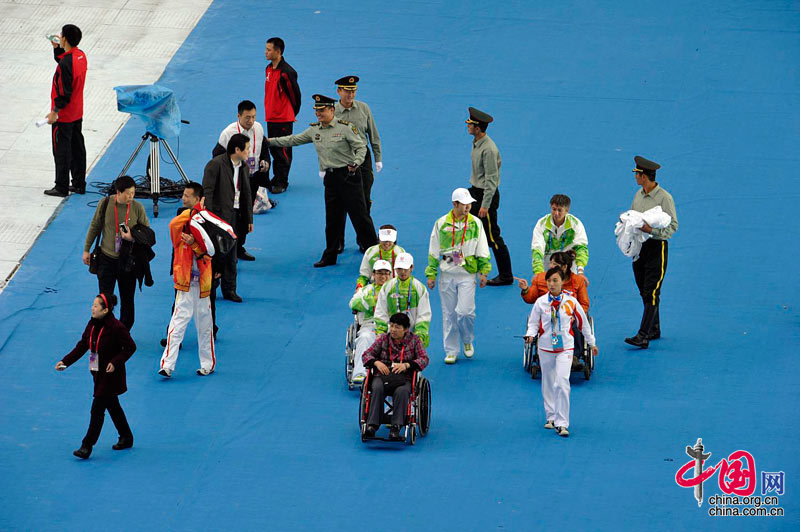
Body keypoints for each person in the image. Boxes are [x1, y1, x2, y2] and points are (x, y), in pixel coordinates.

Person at [268, 94, 378, 267]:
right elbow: (293, 140)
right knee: (332, 219)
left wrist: (356, 163)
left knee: (360, 217)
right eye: (316, 111)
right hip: (331, 179)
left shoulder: (346, 128)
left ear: (332, 110)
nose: (318, 114)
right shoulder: (315, 130)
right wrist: (268, 142)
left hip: (349, 177)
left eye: (322, 110)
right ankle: (330, 255)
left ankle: (376, 255)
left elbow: (361, 148)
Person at [55, 294, 135, 459]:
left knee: (97, 408)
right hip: (96, 370)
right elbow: (83, 345)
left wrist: (116, 361)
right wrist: (65, 361)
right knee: (112, 405)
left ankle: (87, 446)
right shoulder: (92, 324)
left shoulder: (117, 327)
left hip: (110, 373)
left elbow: (130, 347)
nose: (92, 308)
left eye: (96, 306)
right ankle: (126, 436)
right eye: (93, 305)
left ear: (105, 310)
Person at [524, 268, 598, 437]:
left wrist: (592, 343)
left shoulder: (571, 302)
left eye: (555, 280)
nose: (551, 284)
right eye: (549, 281)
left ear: (563, 281)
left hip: (565, 348)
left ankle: (562, 423)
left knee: (562, 382)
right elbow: (533, 324)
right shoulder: (541, 302)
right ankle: (550, 417)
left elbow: (583, 324)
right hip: (545, 348)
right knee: (548, 383)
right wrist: (529, 335)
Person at [425, 188, 491, 364]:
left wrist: (484, 271)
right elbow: (433, 250)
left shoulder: (476, 223)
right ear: (455, 204)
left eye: (470, 203)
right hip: (447, 275)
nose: (468, 206)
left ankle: (467, 340)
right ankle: (451, 350)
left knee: (465, 312)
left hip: (467, 274)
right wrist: (431, 274)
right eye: (465, 203)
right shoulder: (441, 224)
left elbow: (482, 248)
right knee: (449, 315)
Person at [158, 183, 216, 378]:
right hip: (184, 281)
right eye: (183, 195)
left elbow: (209, 252)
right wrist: (191, 214)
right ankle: (167, 365)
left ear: (198, 199)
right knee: (177, 323)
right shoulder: (181, 221)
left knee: (205, 325)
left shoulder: (208, 222)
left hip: (203, 283)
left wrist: (195, 244)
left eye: (188, 196)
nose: (183, 198)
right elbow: (172, 226)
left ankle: (207, 364)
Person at [624, 156, 678, 349]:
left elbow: (673, 226)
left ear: (644, 176)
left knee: (652, 291)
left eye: (637, 174)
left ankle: (643, 335)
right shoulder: (638, 195)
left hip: (656, 247)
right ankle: (654, 327)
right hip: (640, 247)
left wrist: (652, 231)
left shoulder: (664, 198)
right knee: (643, 290)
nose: (635, 177)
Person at [82, 175, 149, 330]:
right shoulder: (105, 204)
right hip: (106, 259)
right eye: (128, 193)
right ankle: (105, 330)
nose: (131, 197)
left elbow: (147, 233)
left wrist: (132, 236)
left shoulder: (137, 207)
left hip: (128, 261)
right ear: (118, 192)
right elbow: (95, 226)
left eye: (133, 193)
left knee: (127, 299)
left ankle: (124, 331)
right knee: (105, 299)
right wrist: (86, 249)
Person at [212, 99, 274, 260]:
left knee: (246, 215)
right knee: (233, 215)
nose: (251, 121)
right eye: (247, 117)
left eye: (253, 117)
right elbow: (216, 155)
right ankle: (227, 249)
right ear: (238, 116)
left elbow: (264, 148)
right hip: (234, 183)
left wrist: (265, 161)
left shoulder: (259, 128)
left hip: (251, 180)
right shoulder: (228, 133)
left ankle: (239, 247)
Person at [362, 312, 429, 440]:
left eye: (397, 327)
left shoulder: (415, 340)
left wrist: (407, 365)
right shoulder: (383, 339)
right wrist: (376, 362)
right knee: (376, 387)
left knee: (402, 391)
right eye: (391, 326)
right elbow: (366, 355)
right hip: (382, 375)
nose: (393, 330)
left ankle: (396, 427)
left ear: (406, 329)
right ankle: (372, 425)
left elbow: (424, 359)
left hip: (404, 378)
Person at [202, 133, 253, 302]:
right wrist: (208, 218)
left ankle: (230, 289)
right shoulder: (215, 165)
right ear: (237, 149)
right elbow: (207, 192)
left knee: (232, 254)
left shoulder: (244, 167)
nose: (249, 151)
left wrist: (249, 219)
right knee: (217, 253)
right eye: (246, 149)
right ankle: (211, 288)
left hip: (236, 215)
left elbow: (247, 194)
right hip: (219, 216)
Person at [465, 107, 513, 286]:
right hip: (475, 192)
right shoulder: (477, 142)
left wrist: (485, 205)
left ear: (478, 128)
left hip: (486, 196)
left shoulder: (489, 150)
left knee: (493, 237)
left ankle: (506, 275)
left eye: (470, 124)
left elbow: (491, 181)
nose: (467, 126)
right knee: (473, 229)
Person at [44, 24, 87, 197]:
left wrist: (55, 111)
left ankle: (61, 186)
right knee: (77, 148)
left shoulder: (66, 64)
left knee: (61, 150)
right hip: (77, 112)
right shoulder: (80, 56)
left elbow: (64, 92)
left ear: (65, 39)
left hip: (64, 115)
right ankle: (78, 183)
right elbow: (65, 63)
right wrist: (56, 49)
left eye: (61, 35)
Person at [334, 76, 382, 213]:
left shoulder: (364, 108)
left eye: (353, 91)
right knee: (340, 198)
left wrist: (378, 158)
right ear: (339, 91)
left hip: (363, 158)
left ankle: (365, 232)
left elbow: (373, 134)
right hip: (341, 159)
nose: (350, 95)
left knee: (365, 194)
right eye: (347, 91)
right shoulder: (332, 112)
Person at [263, 37, 301, 194]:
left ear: (278, 52)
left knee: (283, 151)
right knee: (273, 149)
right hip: (271, 117)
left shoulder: (287, 72)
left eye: (269, 49)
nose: (265, 52)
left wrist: (292, 113)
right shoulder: (268, 68)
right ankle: (277, 177)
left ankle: (282, 181)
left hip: (283, 119)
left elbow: (295, 96)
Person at [374, 252, 432, 348]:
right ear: (395, 269)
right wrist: (381, 332)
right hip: (391, 332)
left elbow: (424, 314)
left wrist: (419, 336)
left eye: (405, 268)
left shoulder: (419, 288)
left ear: (411, 267)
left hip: (412, 333)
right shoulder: (387, 287)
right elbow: (381, 311)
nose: (402, 272)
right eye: (399, 269)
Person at [348, 260, 392, 384]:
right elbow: (353, 304)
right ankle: (359, 373)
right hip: (370, 325)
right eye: (379, 273)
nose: (383, 276)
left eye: (386, 273)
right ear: (373, 274)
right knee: (365, 337)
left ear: (390, 274)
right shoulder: (366, 290)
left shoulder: (395, 291)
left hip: (391, 325)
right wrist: (373, 300)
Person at [531, 194, 589, 275]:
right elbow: (537, 249)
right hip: (548, 263)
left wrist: (580, 271)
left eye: (560, 210)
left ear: (567, 210)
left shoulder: (575, 224)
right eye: (554, 209)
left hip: (567, 263)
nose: (556, 213)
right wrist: (538, 273)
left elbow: (581, 248)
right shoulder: (541, 224)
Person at [518, 251, 589, 312]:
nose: (551, 266)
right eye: (551, 263)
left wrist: (575, 316)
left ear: (564, 267)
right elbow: (531, 299)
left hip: (571, 318)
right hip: (545, 315)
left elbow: (584, 304)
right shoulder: (540, 278)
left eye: (555, 264)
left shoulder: (578, 281)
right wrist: (526, 289)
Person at [355, 225, 405, 289]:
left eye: (390, 240)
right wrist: (359, 287)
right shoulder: (370, 252)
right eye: (384, 240)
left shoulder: (400, 252)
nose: (387, 243)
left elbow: (404, 275)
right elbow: (364, 275)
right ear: (379, 238)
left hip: (394, 289)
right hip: (374, 289)